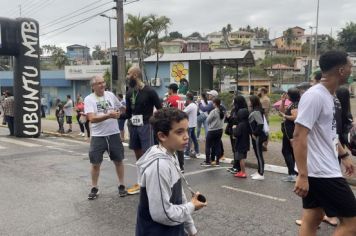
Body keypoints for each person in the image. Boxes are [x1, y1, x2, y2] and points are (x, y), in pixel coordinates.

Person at [293, 50, 356, 236]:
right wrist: (303, 175)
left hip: (320, 170)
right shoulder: (315, 96)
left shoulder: (329, 96)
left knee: (313, 218)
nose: (352, 71)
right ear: (342, 70)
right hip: (321, 173)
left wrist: (343, 155)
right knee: (352, 223)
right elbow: (298, 135)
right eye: (351, 67)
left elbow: (328, 134)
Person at [135, 108, 207, 236]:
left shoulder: (171, 155)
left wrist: (191, 229)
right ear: (162, 136)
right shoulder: (159, 166)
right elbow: (162, 214)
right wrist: (192, 206)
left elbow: (180, 198)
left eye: (186, 130)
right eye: (179, 132)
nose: (186, 136)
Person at [84, 76, 127, 199]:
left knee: (118, 161)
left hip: (114, 134)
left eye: (103, 82)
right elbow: (91, 118)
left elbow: (121, 108)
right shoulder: (89, 99)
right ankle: (94, 187)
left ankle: (121, 185)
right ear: (93, 86)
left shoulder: (110, 95)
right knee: (95, 163)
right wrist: (109, 115)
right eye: (99, 83)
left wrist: (119, 113)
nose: (102, 85)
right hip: (98, 136)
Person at [122, 66, 162, 195]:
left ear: (135, 75)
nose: (127, 77)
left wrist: (153, 120)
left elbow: (160, 109)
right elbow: (128, 113)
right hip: (133, 126)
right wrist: (117, 115)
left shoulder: (150, 91)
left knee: (148, 155)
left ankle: (152, 182)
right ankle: (140, 182)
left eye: (129, 74)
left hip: (146, 126)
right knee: (138, 156)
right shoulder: (129, 93)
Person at [279, 88, 300, 182]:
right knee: (289, 152)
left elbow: (295, 118)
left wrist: (285, 116)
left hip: (291, 131)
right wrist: (283, 102)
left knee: (287, 151)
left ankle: (293, 174)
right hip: (287, 131)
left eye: (287, 94)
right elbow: (281, 111)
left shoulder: (295, 104)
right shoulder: (291, 104)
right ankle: (293, 173)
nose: (286, 95)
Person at [226, 95, 249, 175]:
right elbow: (231, 120)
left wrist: (230, 118)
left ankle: (237, 168)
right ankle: (235, 166)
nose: (233, 102)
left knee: (237, 151)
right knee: (234, 150)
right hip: (233, 131)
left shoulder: (242, 111)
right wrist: (228, 117)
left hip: (238, 132)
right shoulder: (234, 109)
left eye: (234, 101)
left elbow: (237, 121)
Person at [201, 98, 225, 167]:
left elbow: (208, 120)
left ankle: (207, 161)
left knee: (208, 145)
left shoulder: (214, 111)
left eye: (213, 103)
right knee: (217, 145)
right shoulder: (222, 111)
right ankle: (217, 161)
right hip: (220, 130)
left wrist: (211, 124)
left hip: (212, 130)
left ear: (215, 103)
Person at [248, 95, 268, 180]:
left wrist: (255, 134)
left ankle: (261, 173)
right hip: (257, 136)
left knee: (259, 155)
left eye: (249, 101)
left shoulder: (256, 111)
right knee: (257, 154)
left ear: (253, 102)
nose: (248, 102)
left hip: (258, 136)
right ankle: (259, 170)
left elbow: (260, 124)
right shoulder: (256, 110)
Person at [232, 107, 250, 178]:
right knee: (241, 157)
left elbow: (237, 134)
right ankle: (242, 171)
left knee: (241, 158)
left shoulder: (241, 124)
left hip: (240, 144)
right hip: (245, 142)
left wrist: (234, 129)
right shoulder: (246, 123)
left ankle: (243, 172)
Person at [183, 92, 199, 158]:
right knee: (194, 138)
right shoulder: (194, 105)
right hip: (193, 124)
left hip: (189, 125)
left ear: (188, 98)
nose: (185, 99)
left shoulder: (190, 106)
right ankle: (197, 151)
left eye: (186, 98)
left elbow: (183, 112)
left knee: (189, 139)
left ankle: (187, 153)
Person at [257, 87, 270, 151]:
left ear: (262, 91)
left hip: (264, 118)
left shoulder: (265, 99)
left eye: (258, 90)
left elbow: (265, 110)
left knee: (265, 131)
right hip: (260, 118)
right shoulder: (260, 98)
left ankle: (265, 145)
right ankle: (261, 144)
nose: (257, 92)